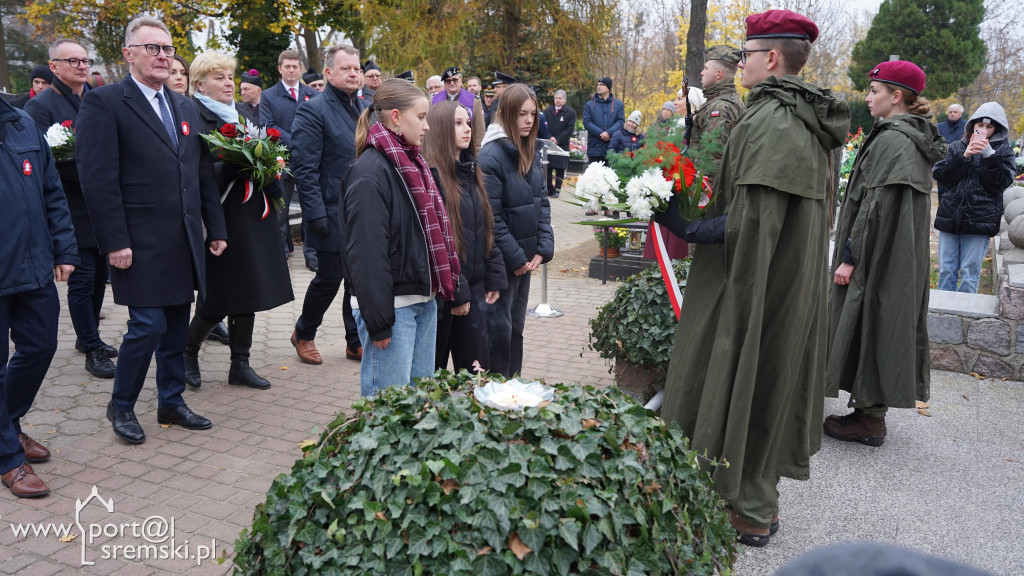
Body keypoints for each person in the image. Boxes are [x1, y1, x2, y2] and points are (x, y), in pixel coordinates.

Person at [653, 9, 850, 547]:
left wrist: (693, 229)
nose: (740, 62)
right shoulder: (798, 115)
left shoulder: (776, 120)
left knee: (753, 373)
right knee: (764, 374)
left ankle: (750, 508)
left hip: (761, 280)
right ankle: (751, 501)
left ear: (772, 58)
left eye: (747, 53)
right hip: (779, 271)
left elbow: (754, 221)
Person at [76, 16, 228, 444]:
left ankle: (171, 400)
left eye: (168, 49)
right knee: (147, 326)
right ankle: (121, 405)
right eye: (153, 48)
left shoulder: (183, 105)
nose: (164, 56)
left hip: (182, 238)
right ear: (129, 54)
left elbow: (200, 173)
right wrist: (115, 241)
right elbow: (97, 179)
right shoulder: (104, 102)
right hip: (138, 242)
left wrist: (213, 227)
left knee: (178, 324)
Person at [825, 60, 947, 447]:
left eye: (874, 91)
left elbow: (873, 208)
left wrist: (849, 256)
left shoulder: (895, 139)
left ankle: (869, 420)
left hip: (878, 256)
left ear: (896, 97)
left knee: (875, 322)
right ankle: (868, 415)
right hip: (890, 255)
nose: (868, 97)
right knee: (881, 322)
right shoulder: (907, 135)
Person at [183, 51, 294, 390]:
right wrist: (230, 167)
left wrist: (268, 166)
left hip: (251, 217)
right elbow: (195, 173)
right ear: (199, 83)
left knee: (250, 290)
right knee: (218, 296)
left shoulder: (241, 113)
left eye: (230, 77)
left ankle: (240, 364)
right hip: (220, 219)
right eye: (219, 77)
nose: (228, 83)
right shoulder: (194, 114)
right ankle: (187, 353)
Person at [343, 79, 460, 395]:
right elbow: (366, 253)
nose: (427, 127)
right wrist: (379, 320)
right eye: (421, 117)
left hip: (423, 301)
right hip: (393, 310)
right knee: (387, 413)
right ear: (396, 117)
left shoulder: (415, 163)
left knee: (419, 405)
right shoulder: (370, 171)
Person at [0, 93, 78, 498]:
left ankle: (8, 425)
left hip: (32, 266)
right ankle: (9, 460)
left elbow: (51, 191)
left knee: (41, 346)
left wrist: (65, 249)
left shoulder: (22, 123)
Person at [25, 40, 116, 380]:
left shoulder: (94, 98)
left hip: (99, 204)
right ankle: (92, 347)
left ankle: (87, 336)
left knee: (100, 277)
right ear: (54, 66)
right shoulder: (42, 106)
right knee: (83, 278)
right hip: (68, 205)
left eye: (85, 60)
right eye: (73, 60)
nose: (81, 66)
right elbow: (39, 161)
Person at [290, 45, 367, 365]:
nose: (353, 73)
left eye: (357, 68)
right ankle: (304, 333)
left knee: (358, 278)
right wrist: (315, 214)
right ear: (329, 73)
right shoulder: (313, 109)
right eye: (346, 68)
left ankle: (353, 340)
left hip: (362, 208)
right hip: (330, 209)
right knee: (329, 277)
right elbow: (304, 168)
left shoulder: (366, 107)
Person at [422, 101, 506, 372]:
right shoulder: (432, 178)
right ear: (441, 129)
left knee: (475, 373)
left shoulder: (472, 171)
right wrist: (457, 293)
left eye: (467, 122)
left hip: (474, 290)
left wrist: (494, 275)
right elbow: (439, 244)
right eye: (458, 123)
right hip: (444, 298)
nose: (467, 129)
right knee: (431, 374)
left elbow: (485, 228)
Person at [479, 84, 554, 378]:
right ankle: (496, 389)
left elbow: (542, 203)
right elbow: (491, 217)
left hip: (525, 261)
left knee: (515, 329)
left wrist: (542, 249)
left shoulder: (529, 151)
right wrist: (516, 259)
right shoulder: (491, 156)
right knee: (499, 332)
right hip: (504, 263)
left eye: (533, 114)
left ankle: (513, 384)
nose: (528, 120)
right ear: (507, 114)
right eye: (522, 114)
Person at [933, 101, 1015, 293]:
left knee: (970, 273)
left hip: (980, 220)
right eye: (980, 125)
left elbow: (998, 185)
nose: (983, 130)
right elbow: (941, 175)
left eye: (989, 127)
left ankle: (963, 319)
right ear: (972, 126)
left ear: (997, 129)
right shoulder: (956, 146)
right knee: (946, 270)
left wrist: (989, 157)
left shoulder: (1003, 152)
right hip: (950, 217)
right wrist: (964, 157)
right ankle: (943, 315)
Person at [260, 50, 319, 269]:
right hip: (282, 160)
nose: (292, 70)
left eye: (295, 66)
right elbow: (267, 125)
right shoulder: (268, 95)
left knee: (310, 207)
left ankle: (311, 254)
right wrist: (296, 140)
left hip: (309, 161)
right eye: (288, 66)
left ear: (300, 69)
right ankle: (281, 252)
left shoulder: (312, 94)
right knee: (281, 210)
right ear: (280, 69)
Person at [693, 44, 744, 166]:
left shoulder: (720, 108)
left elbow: (713, 161)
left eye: (706, 69)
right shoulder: (728, 100)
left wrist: (702, 185)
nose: (701, 73)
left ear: (718, 74)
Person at [431, 66, 485, 152]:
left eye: (455, 80)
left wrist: (477, 155)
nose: (452, 83)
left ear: (460, 80)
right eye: (448, 81)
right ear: (444, 84)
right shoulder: (433, 101)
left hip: (466, 152)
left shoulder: (474, 102)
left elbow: (479, 132)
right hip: (440, 151)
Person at [582, 76, 625, 164]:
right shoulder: (589, 105)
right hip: (594, 148)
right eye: (597, 84)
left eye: (601, 85)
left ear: (608, 88)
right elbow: (586, 122)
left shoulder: (618, 104)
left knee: (610, 177)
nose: (598, 86)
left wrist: (609, 133)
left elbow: (621, 121)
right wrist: (601, 134)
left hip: (612, 147)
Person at [542, 89, 576, 197]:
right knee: (548, 167)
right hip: (549, 144)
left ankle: (557, 190)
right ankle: (549, 189)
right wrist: (550, 137)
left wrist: (558, 139)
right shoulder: (547, 111)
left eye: (560, 98)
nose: (557, 100)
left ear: (564, 99)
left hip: (562, 144)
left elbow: (569, 129)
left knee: (560, 169)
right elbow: (544, 126)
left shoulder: (570, 113)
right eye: (556, 98)